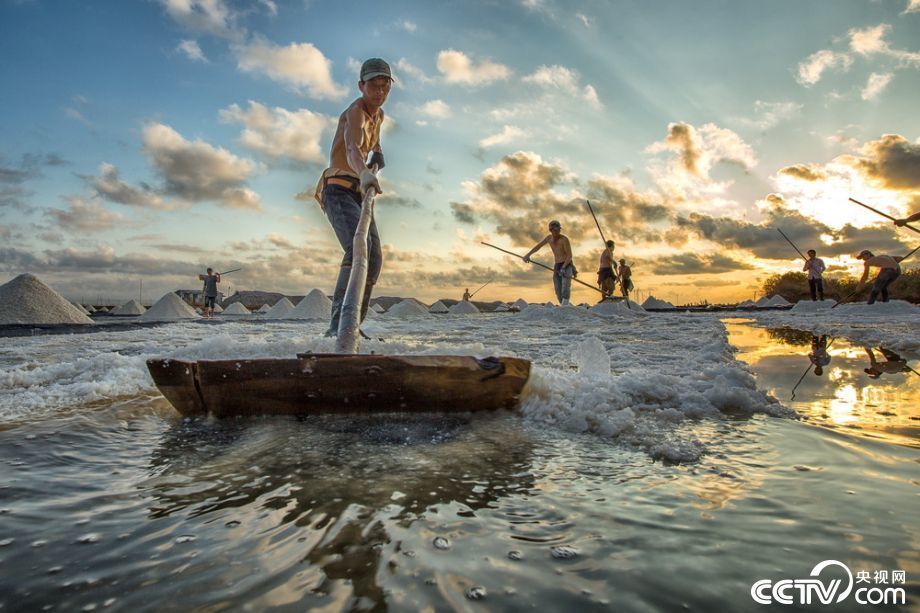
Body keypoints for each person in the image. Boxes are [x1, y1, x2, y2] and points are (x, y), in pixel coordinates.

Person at [313, 58, 392, 337]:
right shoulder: (355, 111)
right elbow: (352, 147)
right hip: (338, 189)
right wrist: (364, 172)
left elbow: (372, 141)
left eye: (385, 87)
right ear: (361, 86)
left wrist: (379, 152)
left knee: (375, 257)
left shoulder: (378, 115)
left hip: (358, 193)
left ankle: (353, 326)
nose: (379, 92)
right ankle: (338, 327)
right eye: (373, 86)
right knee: (356, 251)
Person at [523, 220, 575, 305]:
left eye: (559, 229)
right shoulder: (549, 238)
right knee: (558, 290)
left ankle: (565, 306)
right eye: (555, 230)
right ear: (551, 230)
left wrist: (564, 268)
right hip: (557, 265)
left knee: (565, 287)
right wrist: (528, 255)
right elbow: (538, 246)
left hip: (567, 264)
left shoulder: (564, 239)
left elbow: (569, 256)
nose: (557, 232)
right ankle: (564, 306)